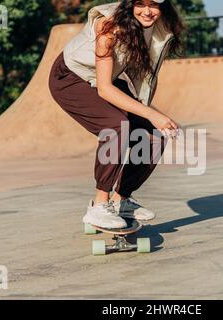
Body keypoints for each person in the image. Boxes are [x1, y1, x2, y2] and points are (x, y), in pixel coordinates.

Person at [49, 0, 185, 228]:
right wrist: (152, 114)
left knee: (153, 138)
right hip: (71, 78)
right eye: (140, 4)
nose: (147, 11)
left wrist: (147, 118)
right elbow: (104, 88)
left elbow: (146, 77)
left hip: (105, 79)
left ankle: (121, 200)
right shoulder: (108, 28)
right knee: (116, 126)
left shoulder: (160, 29)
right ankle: (99, 206)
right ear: (129, 4)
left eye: (154, 5)